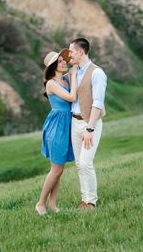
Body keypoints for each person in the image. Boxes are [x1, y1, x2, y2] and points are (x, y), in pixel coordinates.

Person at [36, 48, 78, 216]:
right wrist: (74, 77)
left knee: (59, 169)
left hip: (66, 126)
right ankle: (40, 204)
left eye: (63, 60)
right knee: (56, 169)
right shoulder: (51, 84)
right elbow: (71, 98)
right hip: (56, 127)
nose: (64, 62)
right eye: (60, 61)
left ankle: (53, 205)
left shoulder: (65, 81)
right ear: (53, 67)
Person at [68, 38, 107, 210]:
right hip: (74, 122)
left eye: (71, 51)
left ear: (81, 52)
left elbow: (98, 103)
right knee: (78, 164)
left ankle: (91, 201)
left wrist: (90, 128)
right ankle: (85, 199)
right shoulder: (73, 72)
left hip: (89, 124)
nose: (69, 54)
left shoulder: (97, 73)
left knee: (85, 162)